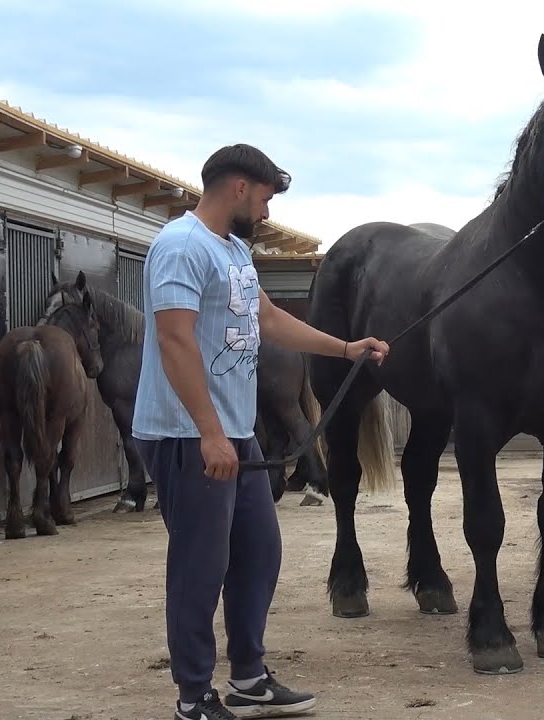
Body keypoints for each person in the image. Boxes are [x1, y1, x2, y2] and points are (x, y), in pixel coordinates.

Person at [132, 143, 390, 719]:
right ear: (239, 188)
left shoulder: (233, 252)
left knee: (259, 551)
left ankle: (248, 678)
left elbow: (268, 319)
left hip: (230, 431)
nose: (268, 213)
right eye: (266, 199)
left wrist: (346, 348)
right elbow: (174, 339)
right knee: (200, 565)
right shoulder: (180, 246)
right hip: (186, 434)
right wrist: (209, 432)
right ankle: (193, 697)